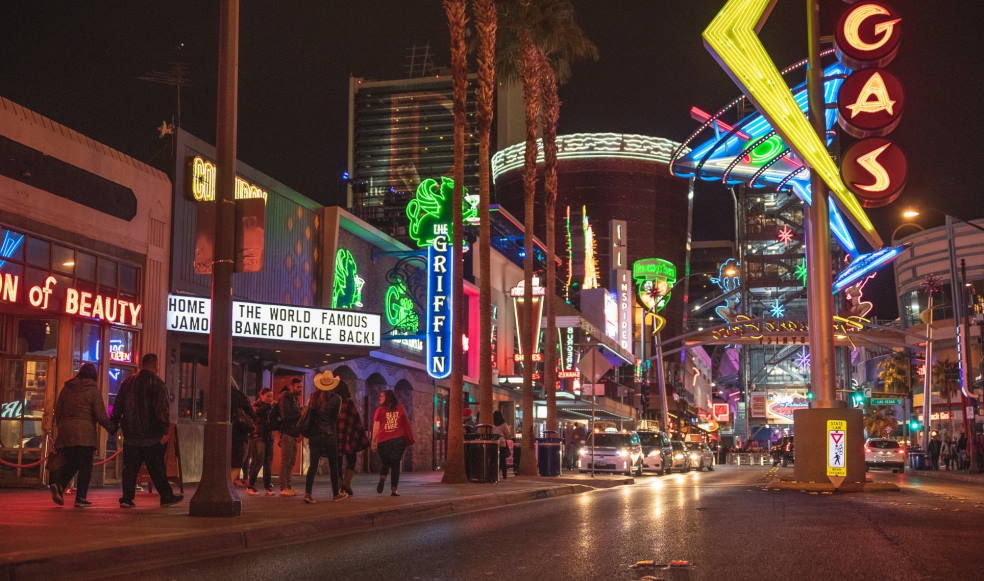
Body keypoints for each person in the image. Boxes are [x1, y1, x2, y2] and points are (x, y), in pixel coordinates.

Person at [111, 353, 182, 508]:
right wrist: (164, 431)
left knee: (130, 469)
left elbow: (118, 406)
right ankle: (166, 495)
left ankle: (127, 498)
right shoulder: (157, 384)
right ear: (155, 365)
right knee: (157, 468)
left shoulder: (127, 383)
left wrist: (114, 423)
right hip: (151, 436)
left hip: (131, 435)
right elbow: (161, 410)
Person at [50, 363, 114, 507]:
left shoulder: (67, 388)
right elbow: (100, 415)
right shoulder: (93, 390)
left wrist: (61, 427)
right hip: (84, 434)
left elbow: (58, 409)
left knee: (72, 462)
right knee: (85, 466)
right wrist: (111, 428)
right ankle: (80, 498)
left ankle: (59, 485)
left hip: (66, 432)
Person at [304, 370, 345, 504]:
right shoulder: (337, 398)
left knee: (313, 466)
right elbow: (335, 418)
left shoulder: (313, 397)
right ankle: (335, 494)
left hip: (315, 435)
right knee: (334, 465)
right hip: (329, 435)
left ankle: (308, 494)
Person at [371, 389, 415, 496]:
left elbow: (376, 427)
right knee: (395, 464)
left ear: (387, 397)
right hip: (398, 440)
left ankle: (382, 479)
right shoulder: (400, 408)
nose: (379, 398)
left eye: (382, 396)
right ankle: (394, 489)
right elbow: (405, 423)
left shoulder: (379, 410)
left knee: (386, 462)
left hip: (383, 441)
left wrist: (373, 441)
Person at [335, 381, 368, 496]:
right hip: (349, 437)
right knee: (352, 459)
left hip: (335, 437)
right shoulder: (349, 403)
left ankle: (339, 486)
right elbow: (356, 420)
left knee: (337, 462)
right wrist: (360, 435)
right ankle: (346, 483)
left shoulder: (332, 401)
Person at [246, 387, 276, 495]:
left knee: (268, 462)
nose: (270, 398)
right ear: (261, 396)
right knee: (258, 461)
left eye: (271, 396)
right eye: (268, 396)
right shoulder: (257, 406)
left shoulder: (271, 407)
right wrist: (269, 406)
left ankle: (267, 487)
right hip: (258, 435)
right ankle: (251, 485)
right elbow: (256, 414)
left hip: (268, 436)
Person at [277, 377, 303, 496]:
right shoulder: (285, 397)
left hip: (293, 433)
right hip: (287, 433)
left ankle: (288, 486)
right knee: (286, 461)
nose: (300, 389)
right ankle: (283, 487)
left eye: (301, 387)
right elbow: (286, 416)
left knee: (291, 461)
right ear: (291, 386)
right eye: (298, 387)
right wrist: (301, 413)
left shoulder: (294, 398)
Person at [230, 379, 254, 486]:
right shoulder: (238, 395)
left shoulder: (217, 395)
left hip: (222, 434)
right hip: (239, 432)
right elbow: (251, 412)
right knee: (237, 462)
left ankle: (226, 485)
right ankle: (228, 486)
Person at [491, 410, 512, 479]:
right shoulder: (503, 424)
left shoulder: (492, 424)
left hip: (494, 443)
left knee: (495, 459)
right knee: (502, 460)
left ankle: (495, 473)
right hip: (502, 443)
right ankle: (504, 475)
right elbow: (508, 434)